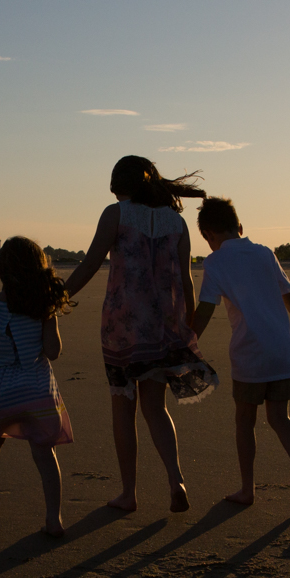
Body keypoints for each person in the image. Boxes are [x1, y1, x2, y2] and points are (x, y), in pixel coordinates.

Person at [63, 156, 218, 513]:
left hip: (122, 328)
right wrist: (188, 327)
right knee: (156, 407)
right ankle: (175, 479)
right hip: (163, 329)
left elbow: (90, 263)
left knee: (123, 408)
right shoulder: (176, 222)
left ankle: (129, 493)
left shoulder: (116, 214)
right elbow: (185, 279)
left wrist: (59, 297)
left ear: (123, 183)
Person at [189, 197, 290, 511]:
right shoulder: (264, 253)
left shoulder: (215, 262)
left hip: (250, 353)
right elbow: (288, 293)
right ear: (239, 226)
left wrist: (188, 343)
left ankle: (247, 489)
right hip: (282, 351)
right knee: (280, 418)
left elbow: (206, 308)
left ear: (208, 235)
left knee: (245, 420)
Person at [0, 237, 74, 536]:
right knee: (44, 453)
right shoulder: (42, 307)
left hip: (0, 394)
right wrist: (50, 318)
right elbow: (53, 351)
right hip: (38, 393)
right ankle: (53, 518)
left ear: (1, 270)